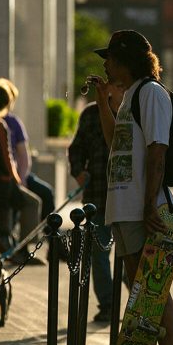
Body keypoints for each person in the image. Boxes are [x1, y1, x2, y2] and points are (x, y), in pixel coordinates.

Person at [92, 29, 173, 345]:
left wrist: (150, 204)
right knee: (140, 292)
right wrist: (104, 102)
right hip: (128, 207)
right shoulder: (130, 95)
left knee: (154, 290)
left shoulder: (151, 93)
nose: (105, 64)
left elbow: (158, 151)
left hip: (146, 208)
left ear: (126, 60)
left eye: (110, 58)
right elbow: (114, 139)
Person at [68, 98, 116, 322]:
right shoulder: (91, 113)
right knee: (99, 253)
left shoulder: (136, 108)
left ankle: (137, 302)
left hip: (129, 198)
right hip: (97, 195)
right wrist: (78, 172)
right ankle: (108, 303)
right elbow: (76, 148)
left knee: (131, 253)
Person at [0, 84, 43, 264]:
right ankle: (22, 248)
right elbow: (6, 155)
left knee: (3, 215)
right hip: (3, 182)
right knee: (32, 203)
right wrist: (16, 180)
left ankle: (7, 243)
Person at [0, 78, 54, 221]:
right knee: (28, 201)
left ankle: (52, 239)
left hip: (18, 174)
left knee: (46, 192)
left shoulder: (12, 122)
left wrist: (22, 179)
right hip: (6, 175)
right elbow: (8, 157)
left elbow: (23, 156)